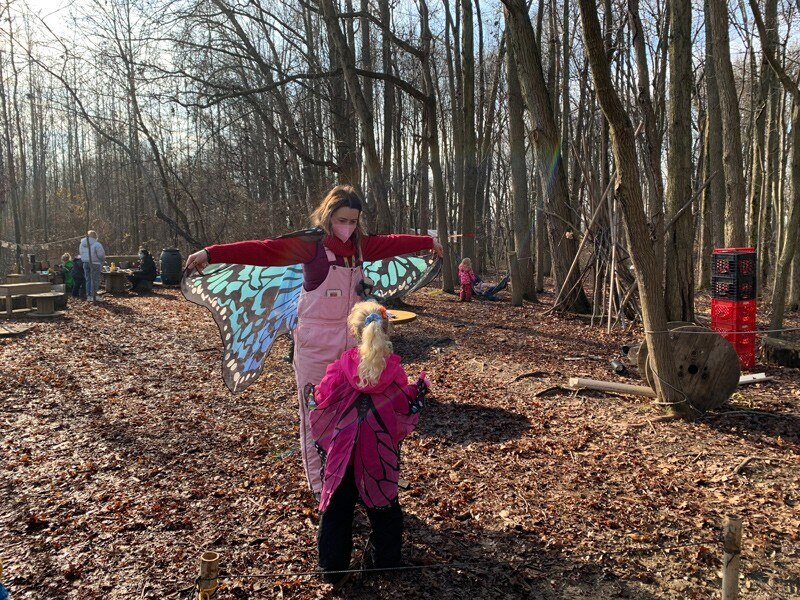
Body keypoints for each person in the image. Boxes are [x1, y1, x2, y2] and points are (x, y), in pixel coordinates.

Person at [185, 185, 443, 497]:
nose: (347, 227)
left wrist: (429, 241)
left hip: (353, 349)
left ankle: (349, 482)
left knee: (351, 417)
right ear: (329, 215)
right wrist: (211, 253)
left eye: (353, 221)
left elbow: (393, 243)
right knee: (315, 418)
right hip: (314, 348)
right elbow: (262, 250)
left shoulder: (362, 248)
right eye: (341, 220)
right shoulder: (311, 246)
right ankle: (323, 490)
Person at [308, 301, 428, 584]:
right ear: (386, 331)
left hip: (343, 451)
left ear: (355, 331)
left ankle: (332, 568)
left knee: (338, 506)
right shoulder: (394, 371)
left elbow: (323, 397)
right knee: (383, 504)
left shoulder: (342, 365)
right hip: (379, 448)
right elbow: (401, 406)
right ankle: (384, 563)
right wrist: (417, 392)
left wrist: (316, 394)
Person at [78, 230, 106, 302]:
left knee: (88, 280)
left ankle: (89, 295)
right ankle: (93, 295)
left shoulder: (81, 244)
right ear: (95, 236)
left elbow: (81, 253)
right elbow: (101, 255)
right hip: (95, 263)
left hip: (85, 263)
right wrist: (102, 261)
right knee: (95, 280)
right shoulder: (97, 244)